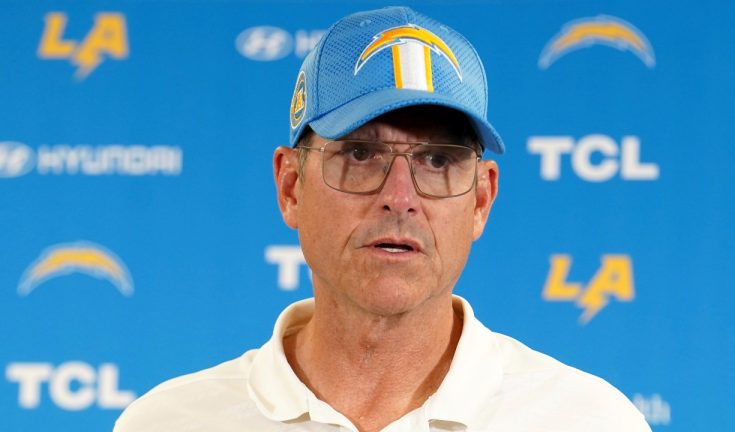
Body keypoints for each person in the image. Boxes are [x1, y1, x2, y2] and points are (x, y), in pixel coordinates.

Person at [114, 6, 651, 432]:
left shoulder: (588, 422)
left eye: (437, 160)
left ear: (481, 200)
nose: (400, 197)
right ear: (291, 187)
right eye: (361, 155)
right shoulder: (167, 423)